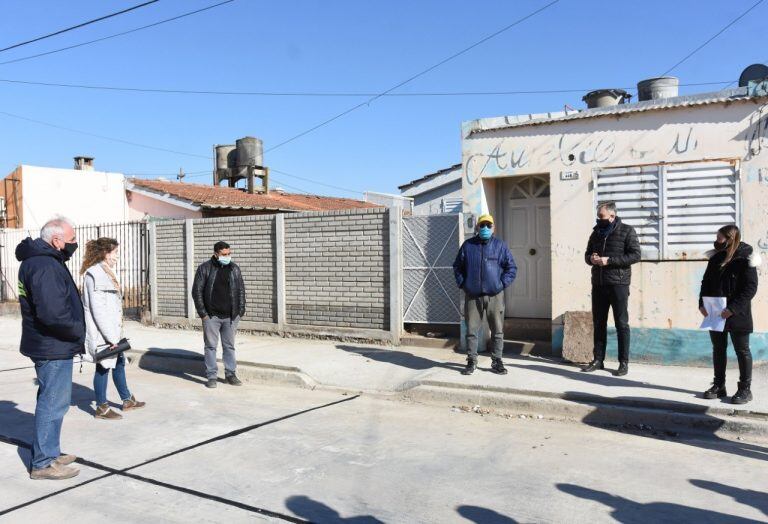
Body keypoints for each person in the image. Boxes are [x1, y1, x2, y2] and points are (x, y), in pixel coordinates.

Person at [16, 217, 84, 480]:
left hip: (51, 343)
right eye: (72, 239)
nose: (74, 244)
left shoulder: (43, 261)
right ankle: (43, 463)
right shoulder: (44, 265)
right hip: (52, 345)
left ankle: (50, 451)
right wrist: (79, 331)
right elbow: (53, 313)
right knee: (52, 404)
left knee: (55, 402)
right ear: (57, 240)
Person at [80, 237, 146, 420]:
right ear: (105, 253)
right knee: (104, 366)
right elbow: (98, 309)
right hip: (105, 334)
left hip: (113, 332)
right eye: (115, 252)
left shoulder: (106, 271)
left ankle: (127, 399)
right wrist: (111, 338)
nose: (117, 256)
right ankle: (101, 407)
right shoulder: (95, 274)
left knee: (119, 363)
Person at [699, 225, 760, 404]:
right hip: (715, 311)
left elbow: (750, 288)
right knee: (718, 349)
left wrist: (732, 309)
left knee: (742, 350)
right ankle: (719, 385)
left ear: (730, 239)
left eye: (719, 238)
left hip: (737, 313)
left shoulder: (746, 258)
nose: (716, 241)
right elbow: (706, 282)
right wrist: (702, 303)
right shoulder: (715, 258)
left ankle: (745, 389)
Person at [453, 214, 517, 376]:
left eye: (489, 225)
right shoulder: (468, 246)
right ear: (477, 228)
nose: (485, 228)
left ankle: (497, 361)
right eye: (482, 225)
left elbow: (511, 268)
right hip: (473, 296)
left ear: (493, 228)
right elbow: (457, 267)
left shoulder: (500, 246)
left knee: (497, 330)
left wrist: (501, 284)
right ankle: (471, 361)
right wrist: (463, 284)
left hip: (495, 295)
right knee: (472, 330)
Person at [582, 202, 641, 376]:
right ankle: (598, 360)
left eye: (602, 217)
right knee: (599, 323)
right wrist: (591, 258)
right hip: (598, 284)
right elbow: (587, 254)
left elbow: (635, 255)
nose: (599, 220)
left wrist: (610, 260)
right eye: (598, 216)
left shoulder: (627, 231)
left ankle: (623, 363)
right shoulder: (596, 233)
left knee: (621, 324)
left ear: (612, 216)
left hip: (619, 285)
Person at [192, 241, 246, 389]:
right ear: (216, 254)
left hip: (231, 316)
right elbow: (197, 292)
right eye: (224, 254)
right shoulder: (205, 268)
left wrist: (240, 312)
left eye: (229, 254)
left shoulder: (234, 269)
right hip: (211, 316)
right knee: (210, 346)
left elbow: (241, 290)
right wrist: (203, 314)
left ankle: (230, 374)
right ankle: (211, 376)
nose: (227, 257)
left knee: (229, 346)